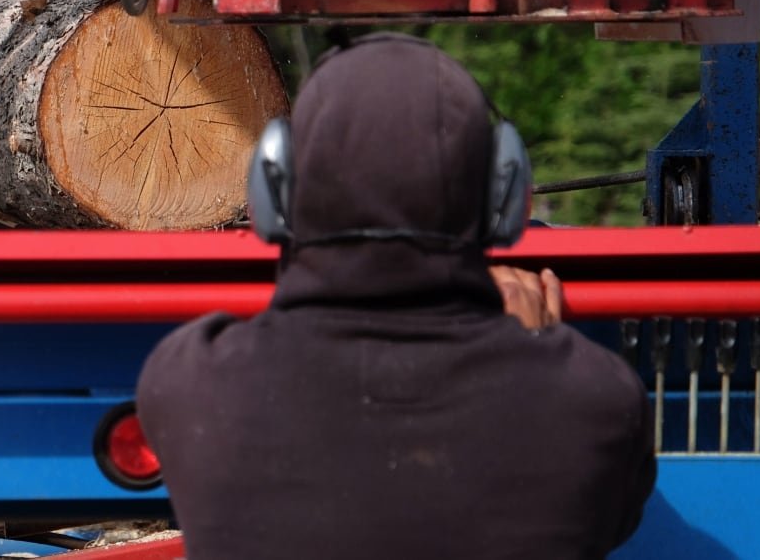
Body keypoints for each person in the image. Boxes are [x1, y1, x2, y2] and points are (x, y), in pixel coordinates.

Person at [136, 33, 655, 560]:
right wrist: (541, 358)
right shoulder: (596, 402)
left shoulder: (191, 382)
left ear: (278, 192)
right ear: (503, 197)